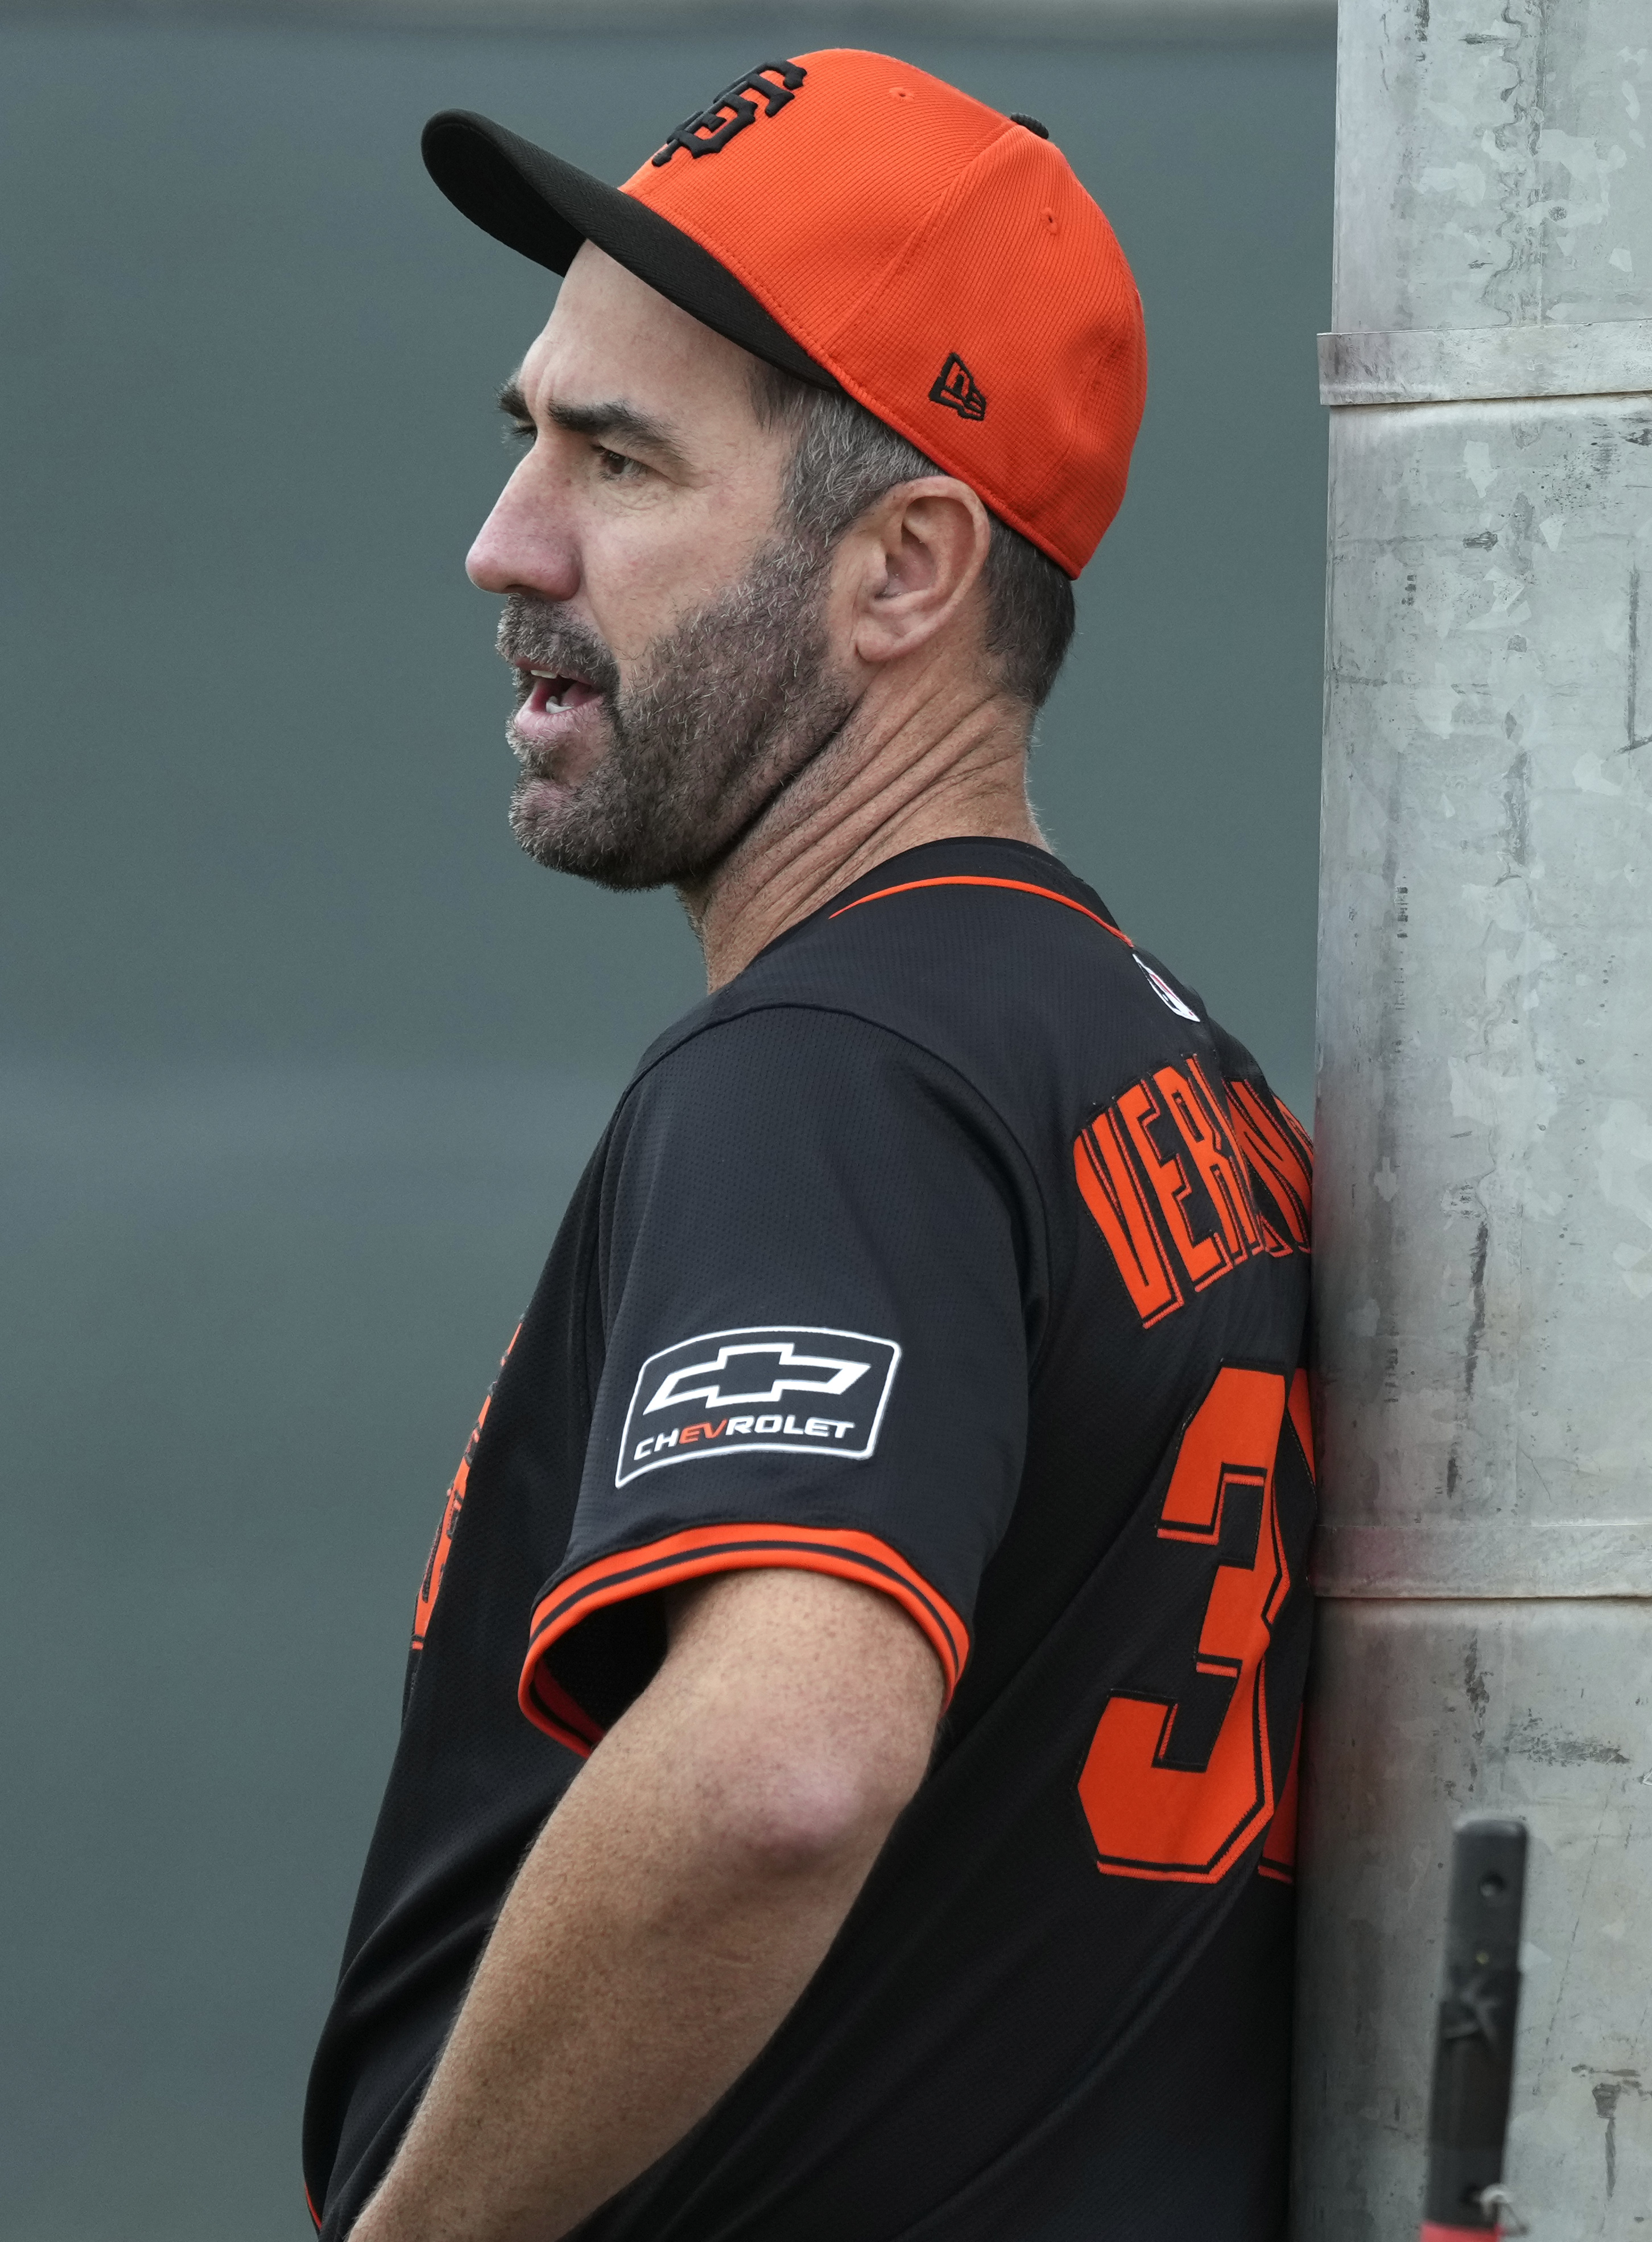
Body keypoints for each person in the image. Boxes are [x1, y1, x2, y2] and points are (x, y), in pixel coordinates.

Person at [302, 52, 1316, 2242]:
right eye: (526, 438)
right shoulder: (1168, 1078)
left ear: (903, 571)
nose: (508, 540)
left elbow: (779, 1768)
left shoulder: (839, 1064)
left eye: (620, 459)